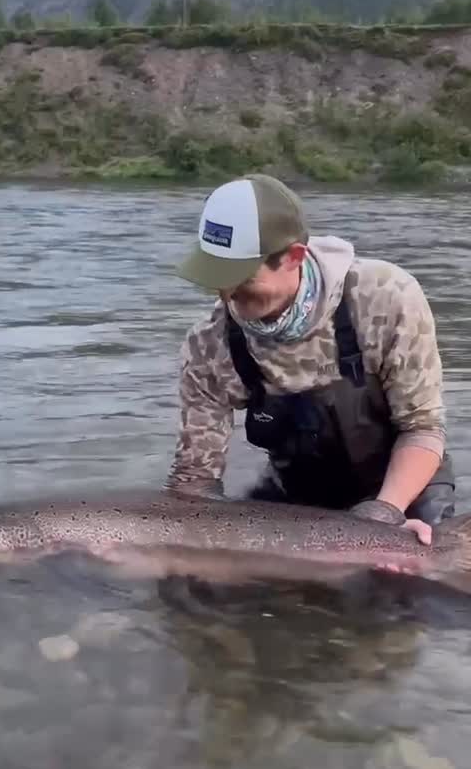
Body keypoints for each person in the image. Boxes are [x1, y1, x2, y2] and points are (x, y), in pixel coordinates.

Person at [166, 172, 454, 545]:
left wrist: (384, 514)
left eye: (241, 277)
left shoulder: (385, 297)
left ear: (293, 257)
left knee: (420, 577)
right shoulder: (209, 343)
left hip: (403, 488)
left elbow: (422, 428)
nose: (226, 292)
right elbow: (194, 482)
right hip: (299, 497)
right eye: (216, 275)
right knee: (195, 577)